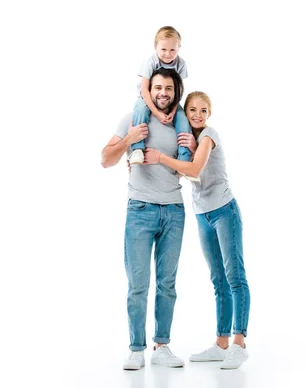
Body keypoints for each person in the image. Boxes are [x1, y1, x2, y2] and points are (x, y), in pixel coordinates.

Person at [143, 91, 251, 369]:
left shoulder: (208, 135)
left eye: (203, 110)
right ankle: (221, 343)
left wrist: (160, 158)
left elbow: (192, 169)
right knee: (218, 280)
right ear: (185, 112)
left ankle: (239, 343)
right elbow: (184, 170)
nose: (198, 115)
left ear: (209, 114)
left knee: (235, 276)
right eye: (192, 110)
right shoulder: (189, 139)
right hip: (202, 214)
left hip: (225, 211)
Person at [101, 67, 187, 370]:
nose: (163, 93)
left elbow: (190, 166)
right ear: (149, 91)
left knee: (168, 284)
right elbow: (105, 159)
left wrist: (179, 152)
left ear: (176, 92)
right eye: (158, 88)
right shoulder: (133, 119)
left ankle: (162, 346)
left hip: (174, 211)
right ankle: (136, 349)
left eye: (169, 89)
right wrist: (129, 140)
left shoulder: (180, 123)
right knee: (138, 284)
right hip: (140, 210)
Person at [128, 26, 196, 181]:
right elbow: (145, 90)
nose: (168, 54)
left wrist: (172, 111)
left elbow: (178, 90)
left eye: (173, 50)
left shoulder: (181, 64)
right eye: (163, 49)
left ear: (179, 48)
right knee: (139, 109)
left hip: (170, 99)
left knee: (183, 121)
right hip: (147, 98)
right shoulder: (150, 62)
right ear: (155, 47)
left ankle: (184, 159)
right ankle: (137, 148)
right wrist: (158, 113)